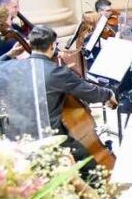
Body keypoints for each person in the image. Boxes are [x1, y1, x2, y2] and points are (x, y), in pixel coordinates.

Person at [28, 25, 118, 161]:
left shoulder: (20, 67)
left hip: (25, 134)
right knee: (90, 163)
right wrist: (108, 94)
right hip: (51, 136)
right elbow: (88, 91)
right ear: (52, 45)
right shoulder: (55, 72)